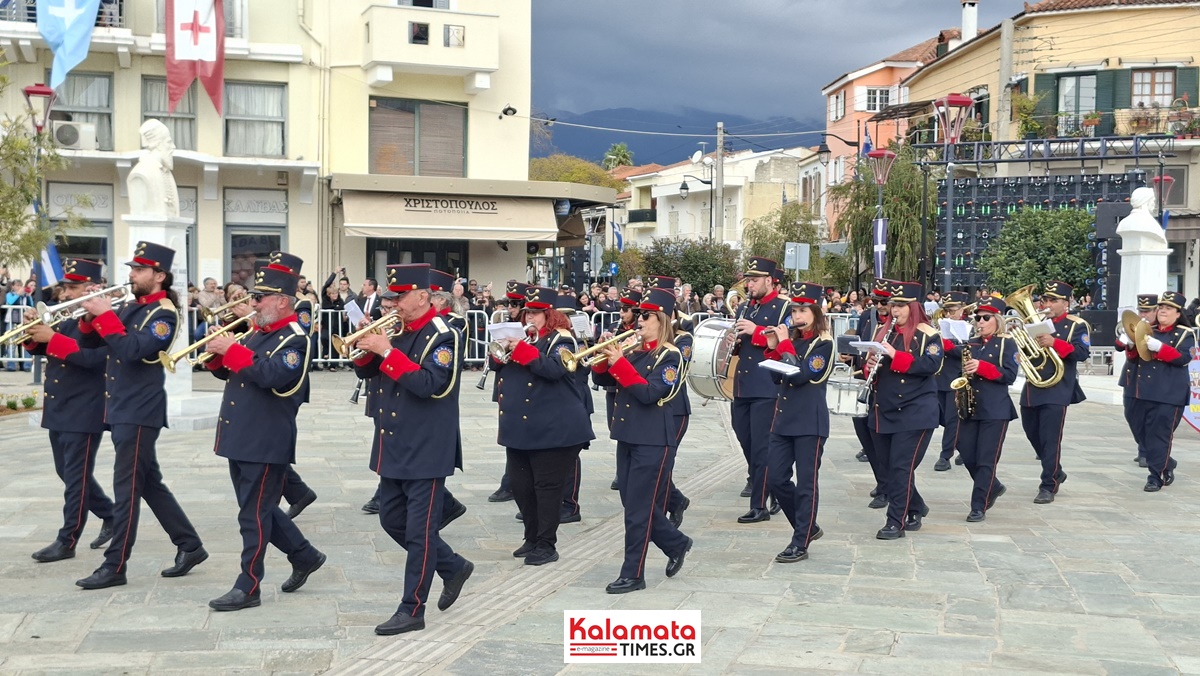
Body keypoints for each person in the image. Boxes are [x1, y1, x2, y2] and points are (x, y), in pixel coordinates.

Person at [349, 264, 473, 635]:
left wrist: (386, 350)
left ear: (423, 296)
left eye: (400, 297)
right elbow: (365, 374)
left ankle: (412, 608)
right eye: (391, 298)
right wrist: (365, 348)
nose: (393, 305)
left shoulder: (444, 334)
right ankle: (451, 565)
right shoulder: (397, 329)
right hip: (393, 442)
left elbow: (431, 385)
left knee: (419, 534)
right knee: (391, 520)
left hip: (426, 447)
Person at [75, 242, 207, 589]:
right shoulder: (131, 308)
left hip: (139, 411)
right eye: (131, 268)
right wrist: (91, 317)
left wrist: (105, 315)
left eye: (138, 269)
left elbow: (133, 351)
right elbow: (93, 347)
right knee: (147, 482)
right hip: (121, 407)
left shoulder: (163, 314)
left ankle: (115, 564)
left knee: (127, 489)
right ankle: (189, 545)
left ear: (159, 276)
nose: (130, 274)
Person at [201, 263, 327, 611]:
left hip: (265, 440)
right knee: (259, 509)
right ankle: (304, 555)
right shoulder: (258, 331)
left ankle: (249, 586)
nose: (253, 304)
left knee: (252, 516)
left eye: (260, 298)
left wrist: (232, 350)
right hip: (240, 435)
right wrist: (217, 355)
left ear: (283, 302)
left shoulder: (295, 338)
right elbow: (236, 373)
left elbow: (273, 375)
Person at [593, 287, 691, 594]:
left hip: (653, 439)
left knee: (637, 510)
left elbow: (650, 393)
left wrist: (619, 361)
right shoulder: (636, 350)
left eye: (646, 316)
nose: (639, 320)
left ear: (661, 320)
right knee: (632, 502)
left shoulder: (670, 356)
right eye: (639, 315)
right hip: (628, 435)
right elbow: (603, 380)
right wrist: (602, 358)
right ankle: (676, 542)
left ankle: (633, 573)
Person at [21, 258, 115, 563]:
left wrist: (53, 338)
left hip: (84, 407)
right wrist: (33, 333)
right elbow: (47, 347)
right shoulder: (66, 315)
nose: (65, 293)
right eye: (66, 287)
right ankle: (111, 514)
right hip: (60, 404)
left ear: (92, 288)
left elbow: (97, 359)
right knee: (67, 471)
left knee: (76, 476)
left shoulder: (103, 318)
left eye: (73, 287)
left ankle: (67, 539)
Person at [494, 286, 594, 566]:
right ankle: (531, 536)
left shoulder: (563, 339)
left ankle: (547, 543)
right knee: (521, 485)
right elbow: (502, 368)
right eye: (529, 312)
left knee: (547, 488)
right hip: (520, 427)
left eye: (537, 313)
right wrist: (503, 348)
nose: (531, 317)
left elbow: (554, 370)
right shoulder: (525, 337)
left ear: (550, 315)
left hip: (554, 428)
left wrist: (522, 350)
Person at [866, 281, 943, 540]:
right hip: (885, 408)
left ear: (912, 307)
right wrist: (870, 362)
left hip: (915, 410)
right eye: (893, 305)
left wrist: (893, 356)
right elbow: (875, 371)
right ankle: (916, 506)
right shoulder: (886, 332)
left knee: (901, 467)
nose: (895, 310)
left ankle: (894, 522)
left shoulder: (927, 333)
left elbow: (932, 364)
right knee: (889, 468)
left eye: (900, 306)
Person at [763, 282, 833, 562]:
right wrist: (772, 349)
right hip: (784, 418)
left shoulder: (824, 343)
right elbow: (778, 376)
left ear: (815, 312)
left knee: (806, 483)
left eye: (803, 310)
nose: (796, 315)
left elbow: (803, 375)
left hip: (809, 421)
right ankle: (808, 527)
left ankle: (800, 540)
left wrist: (784, 345)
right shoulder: (793, 339)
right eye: (794, 309)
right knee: (777, 479)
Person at [730, 257, 790, 522]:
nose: (749, 285)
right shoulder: (745, 307)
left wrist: (755, 332)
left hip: (768, 384)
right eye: (748, 280)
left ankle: (759, 505)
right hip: (743, 384)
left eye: (754, 280)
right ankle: (770, 485)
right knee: (746, 440)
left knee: (762, 447)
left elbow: (784, 340)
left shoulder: (784, 307)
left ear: (769, 280)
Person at [1020, 280, 1090, 505]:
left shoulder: (1076, 324)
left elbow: (1081, 353)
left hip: (1058, 386)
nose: (1048, 304)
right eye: (1046, 300)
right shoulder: (1035, 322)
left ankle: (1048, 484)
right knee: (1032, 434)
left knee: (1050, 439)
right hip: (1033, 385)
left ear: (1066, 302)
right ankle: (1056, 470)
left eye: (1054, 300)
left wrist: (1054, 342)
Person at [955, 297, 1019, 522]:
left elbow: (1009, 376)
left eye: (985, 318)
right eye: (977, 318)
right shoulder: (971, 343)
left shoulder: (1006, 343)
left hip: (995, 408)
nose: (980, 322)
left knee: (986, 459)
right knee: (965, 450)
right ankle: (993, 486)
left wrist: (982, 367)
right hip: (971, 407)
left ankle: (978, 506)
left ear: (997, 320)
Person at [1132, 291, 1195, 492]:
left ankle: (1155, 476)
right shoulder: (1149, 329)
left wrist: (1161, 348)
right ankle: (1166, 463)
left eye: (1168, 308)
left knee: (1159, 436)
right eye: (1161, 307)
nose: (1163, 311)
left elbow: (1183, 358)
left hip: (1170, 393)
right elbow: (1136, 357)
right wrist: (1130, 344)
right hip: (1146, 391)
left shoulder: (1185, 333)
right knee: (1142, 434)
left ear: (1178, 313)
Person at [592, 287, 642, 492]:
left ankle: (627, 472)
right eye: (621, 309)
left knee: (632, 432)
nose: (621, 313)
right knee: (616, 429)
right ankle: (621, 471)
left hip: (631, 385)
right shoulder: (614, 327)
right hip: (613, 386)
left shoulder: (639, 332)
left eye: (626, 309)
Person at [851, 279, 894, 508]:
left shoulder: (897, 322)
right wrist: (852, 357)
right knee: (863, 432)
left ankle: (887, 487)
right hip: (864, 381)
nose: (879, 306)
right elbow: (860, 341)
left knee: (879, 437)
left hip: (884, 386)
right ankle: (881, 479)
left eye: (883, 301)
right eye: (875, 301)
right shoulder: (867, 317)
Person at [1117, 294, 1158, 468]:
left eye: (1148, 311)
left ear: (1156, 311)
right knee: (1131, 414)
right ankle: (1143, 445)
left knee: (1149, 417)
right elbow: (1118, 345)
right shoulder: (1132, 324)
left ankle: (1146, 450)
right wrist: (1126, 339)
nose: (1144, 315)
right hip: (1131, 375)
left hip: (1152, 377)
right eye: (1141, 310)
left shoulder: (1159, 330)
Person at [934, 291, 969, 471]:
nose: (949, 314)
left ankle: (945, 455)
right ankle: (965, 447)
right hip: (938, 377)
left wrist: (948, 345)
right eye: (946, 310)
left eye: (952, 310)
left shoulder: (968, 327)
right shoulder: (939, 326)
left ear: (961, 309)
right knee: (942, 419)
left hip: (955, 377)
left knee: (952, 419)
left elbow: (966, 354)